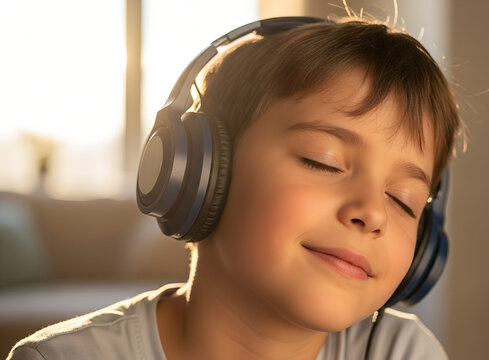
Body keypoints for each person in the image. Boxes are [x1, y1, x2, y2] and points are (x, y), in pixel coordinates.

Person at [7, 16, 460, 360]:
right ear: (199, 173)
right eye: (322, 161)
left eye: (405, 201)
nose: (374, 212)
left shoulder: (401, 351)